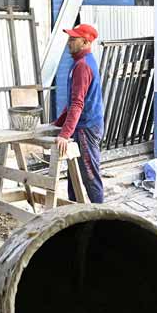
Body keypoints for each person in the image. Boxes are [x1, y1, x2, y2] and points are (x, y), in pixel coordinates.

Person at [52, 24, 105, 204]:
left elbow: (77, 103)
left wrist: (65, 134)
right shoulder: (80, 62)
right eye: (69, 38)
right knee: (74, 176)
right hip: (83, 124)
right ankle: (74, 215)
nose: (69, 42)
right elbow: (73, 100)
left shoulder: (82, 65)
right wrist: (58, 123)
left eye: (73, 39)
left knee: (89, 175)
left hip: (87, 127)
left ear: (84, 42)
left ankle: (101, 219)